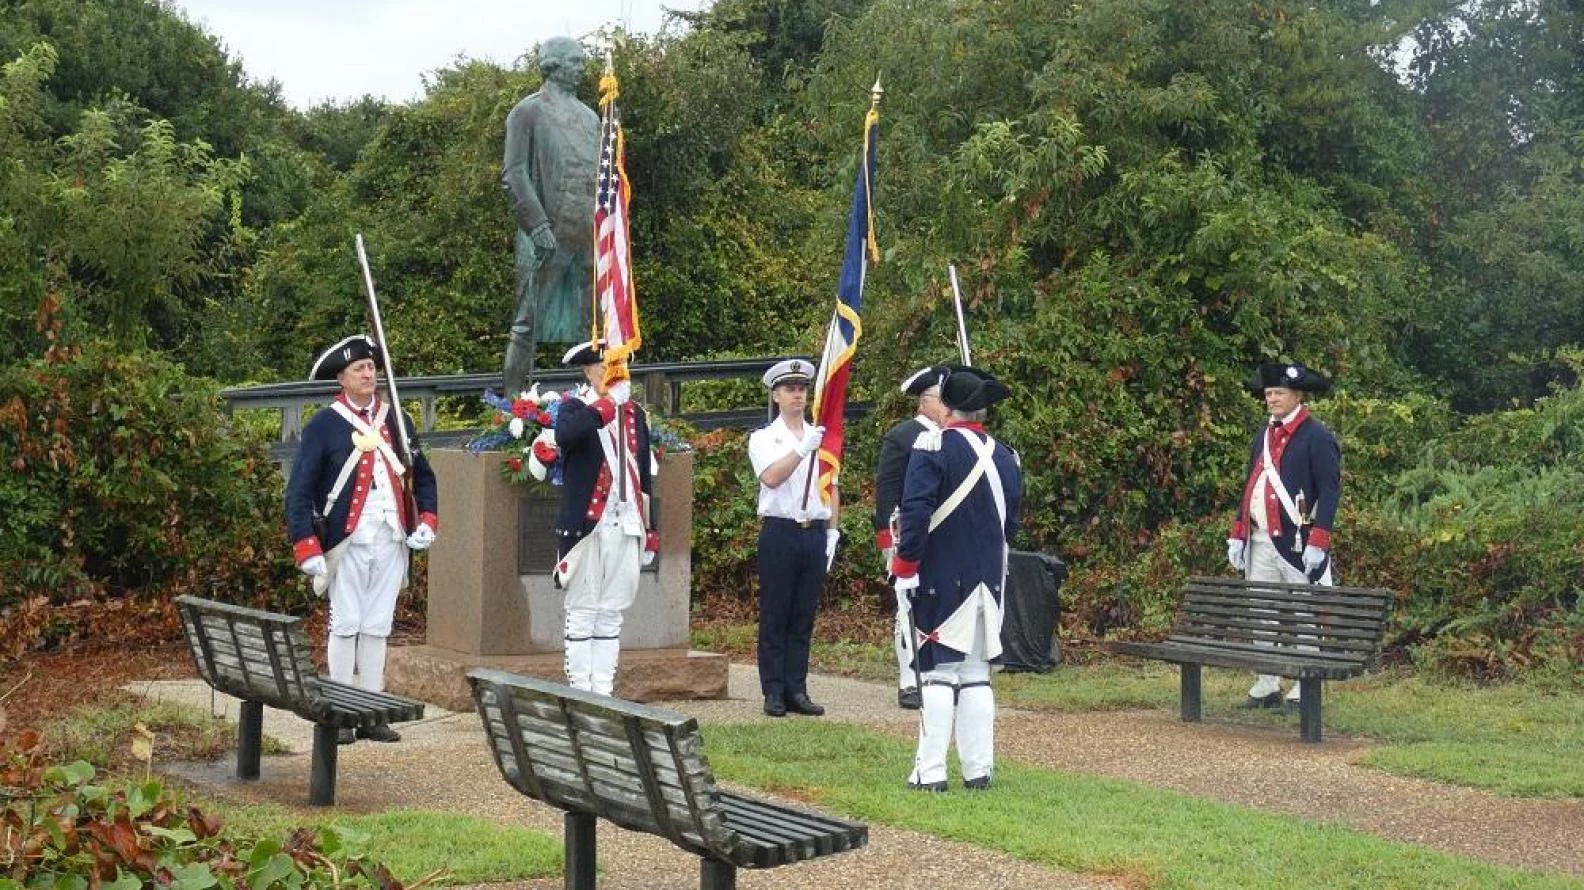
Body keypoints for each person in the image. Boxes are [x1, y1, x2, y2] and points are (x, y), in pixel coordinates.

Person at [285, 334, 438, 744]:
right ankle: (340, 714)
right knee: (346, 622)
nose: (369, 374)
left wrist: (426, 519)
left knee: (377, 625)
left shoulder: (396, 420)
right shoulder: (324, 425)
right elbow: (299, 490)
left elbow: (421, 474)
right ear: (343, 377)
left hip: (390, 536)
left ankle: (372, 712)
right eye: (360, 369)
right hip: (346, 539)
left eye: (372, 367)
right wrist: (306, 545)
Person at [891, 366, 1021, 792]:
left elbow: (915, 515)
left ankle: (930, 772)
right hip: (989, 579)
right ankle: (978, 770)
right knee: (976, 674)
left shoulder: (932, 446)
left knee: (937, 674)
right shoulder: (1006, 455)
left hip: (940, 577)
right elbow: (1010, 526)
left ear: (947, 407)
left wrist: (905, 567)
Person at [1225, 361, 1341, 710]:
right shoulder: (1263, 434)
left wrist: (1319, 540)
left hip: (1297, 542)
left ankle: (1304, 685)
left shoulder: (1318, 437)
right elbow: (1251, 485)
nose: (1272, 399)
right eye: (1269, 393)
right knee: (1263, 611)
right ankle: (1267, 683)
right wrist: (1239, 533)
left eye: (1279, 393)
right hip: (1259, 539)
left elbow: (1330, 492)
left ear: (1297, 395)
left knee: (1305, 612)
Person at [552, 340, 659, 696]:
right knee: (583, 610)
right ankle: (581, 693)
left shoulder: (635, 414)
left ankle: (604, 693)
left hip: (627, 523)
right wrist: (608, 403)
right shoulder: (574, 408)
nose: (615, 375)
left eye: (619, 368)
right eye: (606, 368)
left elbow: (644, 474)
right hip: (587, 527)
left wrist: (651, 530)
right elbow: (566, 436)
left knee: (612, 612)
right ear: (588, 371)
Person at [500, 36, 599, 394]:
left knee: (593, 326)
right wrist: (537, 224)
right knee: (527, 320)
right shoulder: (528, 111)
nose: (581, 68)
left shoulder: (591, 118)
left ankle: (595, 398)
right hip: (546, 231)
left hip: (587, 232)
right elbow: (514, 174)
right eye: (574, 61)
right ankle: (512, 408)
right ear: (553, 65)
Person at [748, 359, 837, 718]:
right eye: (790, 389)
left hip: (813, 531)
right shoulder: (765, 438)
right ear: (776, 395)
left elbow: (832, 486)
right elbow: (771, 477)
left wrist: (833, 531)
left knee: (803, 614)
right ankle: (772, 691)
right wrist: (802, 450)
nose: (797, 395)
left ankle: (796, 688)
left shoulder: (821, 436)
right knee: (776, 613)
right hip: (780, 531)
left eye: (802, 389)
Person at [872, 364, 952, 710]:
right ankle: (909, 679)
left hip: (946, 533)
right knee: (908, 607)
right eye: (944, 401)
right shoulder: (903, 436)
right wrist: (888, 540)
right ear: (927, 401)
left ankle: (939, 673)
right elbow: (887, 491)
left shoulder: (953, 438)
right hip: (908, 532)